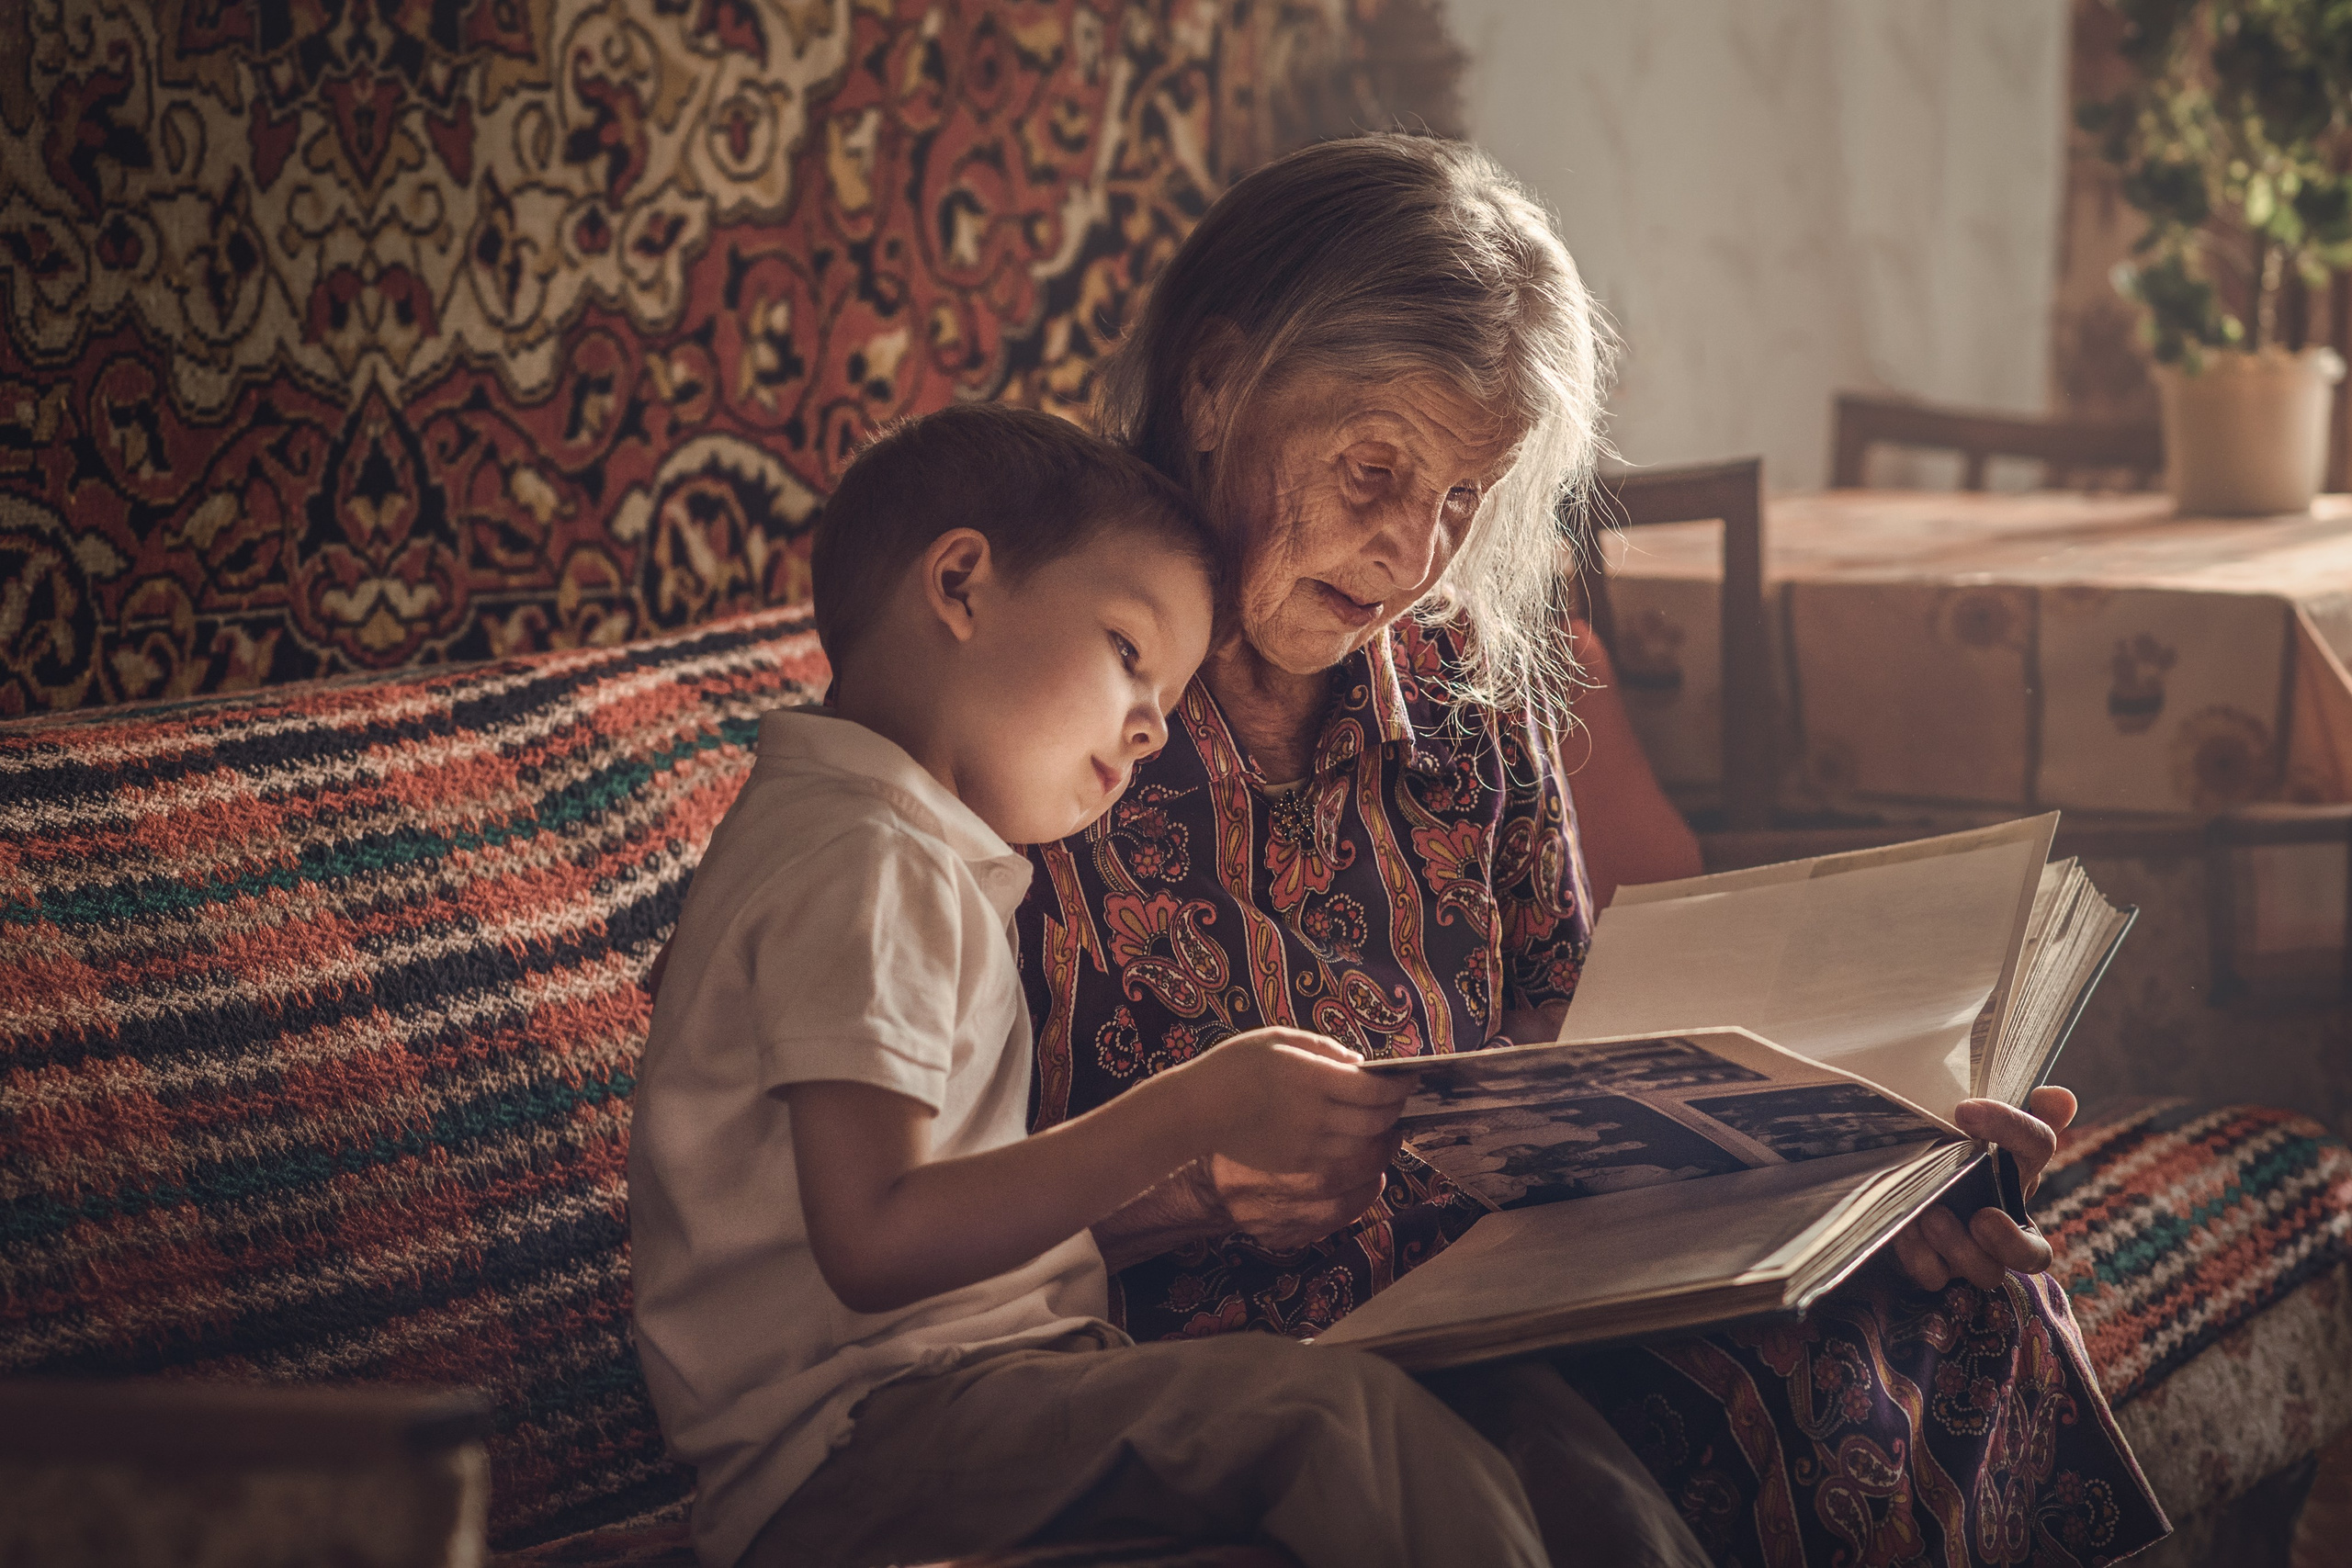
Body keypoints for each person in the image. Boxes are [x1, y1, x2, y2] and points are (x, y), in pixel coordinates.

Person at [1017, 134, 2170, 1565]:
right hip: (1208, 1360)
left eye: (1461, 498)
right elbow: (891, 1221)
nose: (1411, 554)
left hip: (1495, 1293)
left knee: (1946, 1300)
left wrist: (1869, 1167)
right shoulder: (1036, 686)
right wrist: (1193, 1188)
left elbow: (1569, 1031)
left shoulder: (1464, 692)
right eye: (1374, 465)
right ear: (1212, 386)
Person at [627, 403, 1566, 1568]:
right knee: (1335, 1420)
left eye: (1164, 705)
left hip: (953, 1421)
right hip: (866, 1441)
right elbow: (873, 1241)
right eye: (1128, 656)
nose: (1140, 736)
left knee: (1510, 1446)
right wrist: (1196, 1109)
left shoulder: (858, 842)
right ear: (962, 585)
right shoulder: (868, 864)